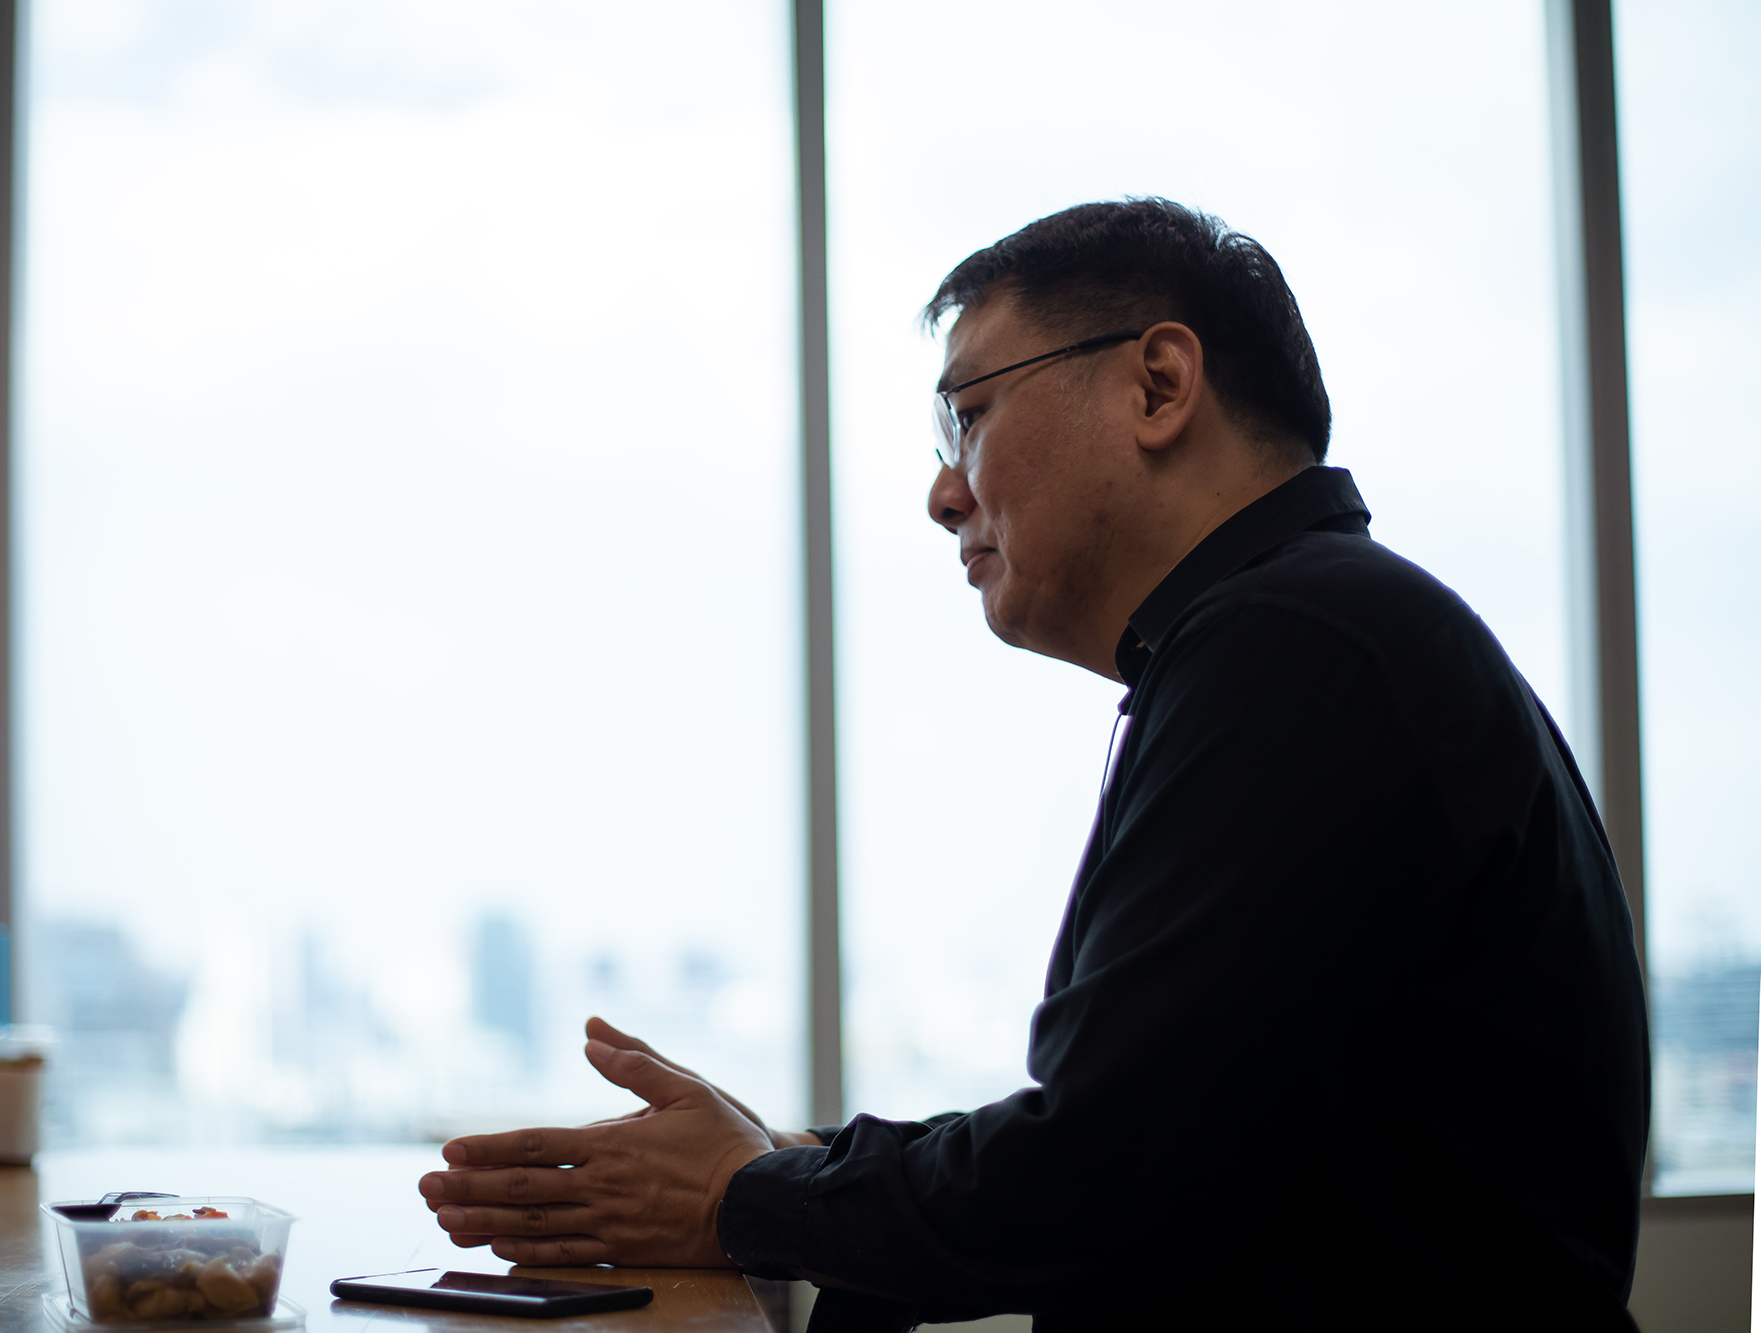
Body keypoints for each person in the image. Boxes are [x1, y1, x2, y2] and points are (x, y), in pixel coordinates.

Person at [416, 199, 1649, 1329]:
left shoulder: (1297, 644)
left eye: (969, 414)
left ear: (1158, 385)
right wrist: (788, 1163)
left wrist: (743, 1195)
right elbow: (1164, 1132)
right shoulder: (1316, 633)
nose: (941, 492)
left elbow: (1098, 1179)